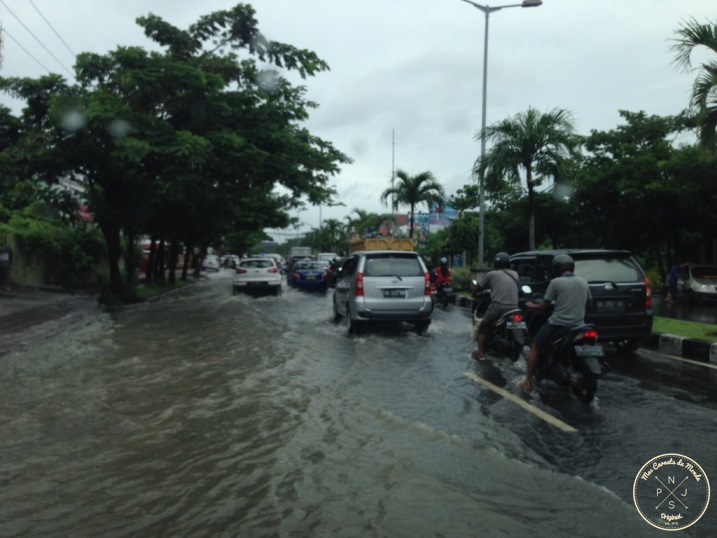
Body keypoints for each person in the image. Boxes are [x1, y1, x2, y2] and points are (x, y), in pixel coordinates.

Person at [519, 254, 592, 392]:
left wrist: (531, 305)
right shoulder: (583, 281)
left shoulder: (556, 282)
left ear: (556, 268)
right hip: (579, 325)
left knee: (535, 345)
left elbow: (544, 307)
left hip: (558, 324)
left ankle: (528, 381)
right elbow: (590, 305)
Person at [471, 252, 520, 361]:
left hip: (498, 307)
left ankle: (480, 352)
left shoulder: (492, 274)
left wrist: (474, 294)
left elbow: (479, 287)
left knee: (483, 326)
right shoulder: (515, 274)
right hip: (515, 308)